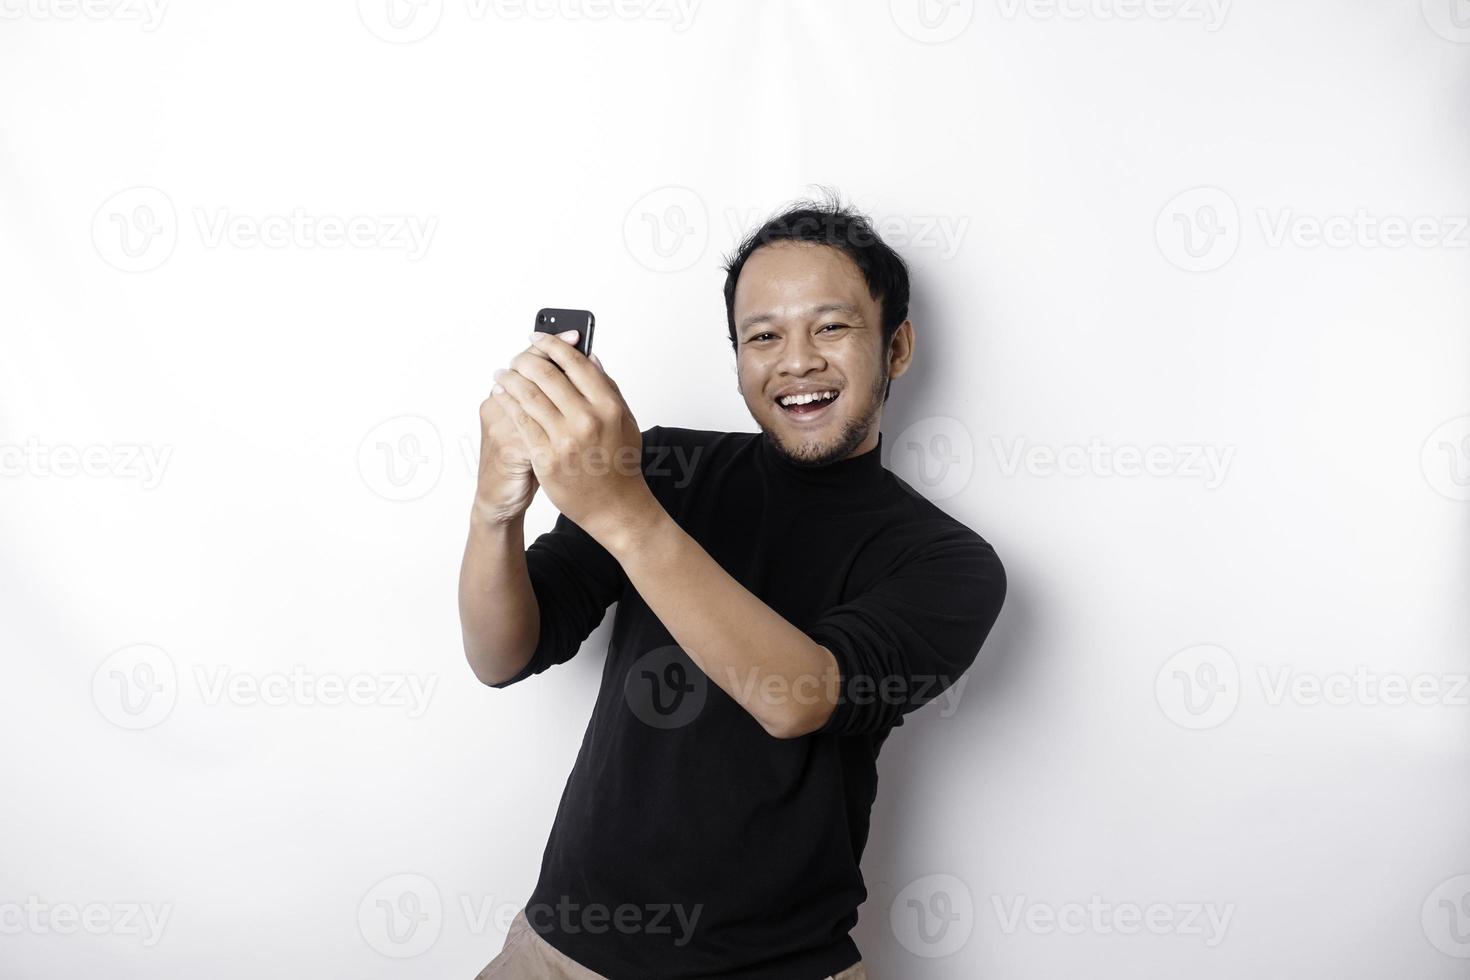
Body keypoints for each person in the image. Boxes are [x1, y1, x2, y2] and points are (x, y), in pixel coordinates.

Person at [459, 193, 1007, 980]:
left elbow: (796, 696)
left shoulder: (948, 563)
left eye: (832, 326)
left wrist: (622, 510)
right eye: (763, 336)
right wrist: (494, 510)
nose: (796, 361)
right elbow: (501, 654)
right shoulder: (664, 469)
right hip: (559, 953)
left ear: (897, 347)